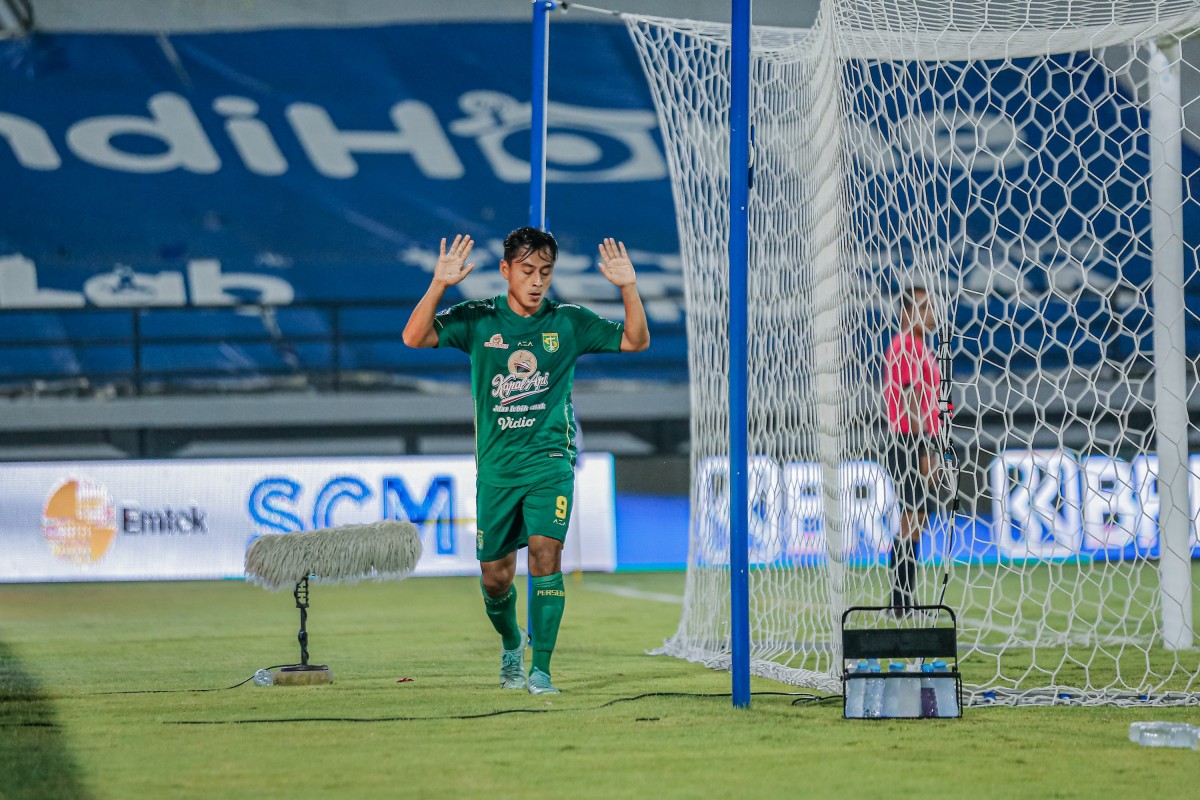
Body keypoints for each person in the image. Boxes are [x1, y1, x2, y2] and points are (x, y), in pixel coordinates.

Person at [402, 227, 649, 694]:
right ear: (506, 270)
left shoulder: (568, 322)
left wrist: (628, 287)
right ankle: (512, 643)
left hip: (549, 461)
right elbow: (414, 337)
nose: (537, 281)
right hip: (496, 470)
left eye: (546, 272)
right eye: (528, 271)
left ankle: (542, 670)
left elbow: (636, 342)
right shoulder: (479, 320)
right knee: (495, 579)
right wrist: (439, 284)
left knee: (545, 554)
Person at [883, 286, 940, 617]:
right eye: (923, 307)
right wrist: (925, 450)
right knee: (911, 521)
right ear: (906, 314)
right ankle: (900, 603)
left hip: (914, 440)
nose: (931, 313)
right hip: (908, 441)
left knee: (914, 521)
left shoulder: (918, 347)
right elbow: (911, 399)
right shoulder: (906, 346)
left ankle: (902, 602)